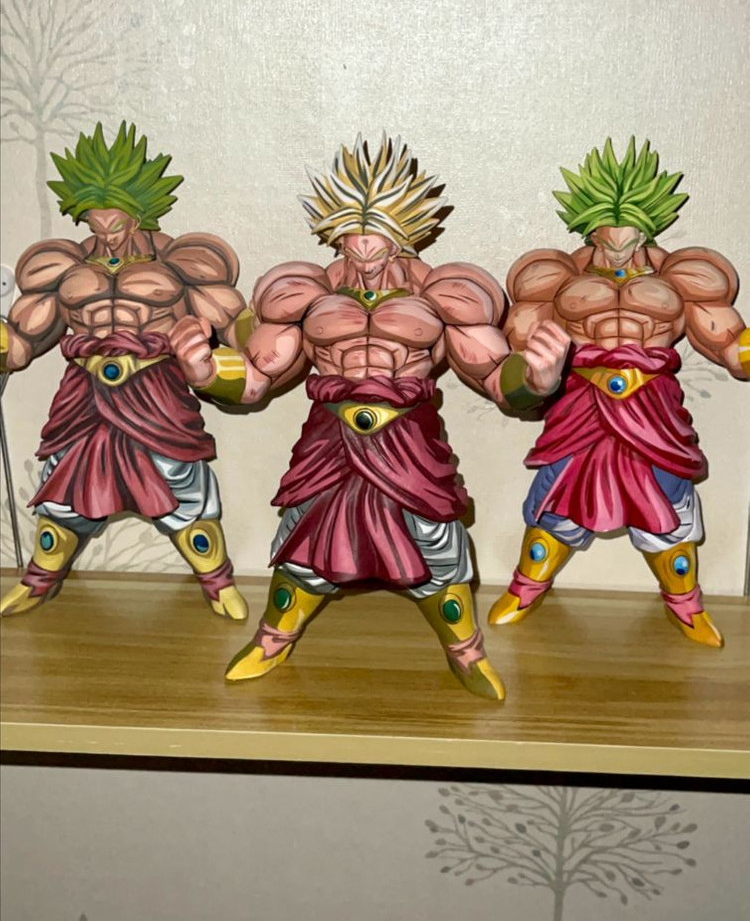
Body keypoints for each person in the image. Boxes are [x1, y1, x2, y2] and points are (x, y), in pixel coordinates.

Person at [172, 134, 569, 699]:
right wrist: (206, 372)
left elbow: (492, 375)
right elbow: (257, 377)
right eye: (351, 241)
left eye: (377, 242)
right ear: (333, 232)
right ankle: (272, 640)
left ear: (404, 233)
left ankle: (466, 652)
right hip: (330, 437)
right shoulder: (301, 293)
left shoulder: (445, 295)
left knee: (436, 542)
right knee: (305, 536)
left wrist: (535, 380)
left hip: (408, 438)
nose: (363, 257)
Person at [487, 138, 750, 646]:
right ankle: (525, 588)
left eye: (631, 239)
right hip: (580, 408)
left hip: (652, 412)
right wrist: (532, 378)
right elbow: (513, 362)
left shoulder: (684, 276)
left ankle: (685, 605)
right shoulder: (554, 277)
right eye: (607, 239)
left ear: (650, 227)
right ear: (586, 227)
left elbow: (729, 344)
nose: (619, 250)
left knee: (667, 504)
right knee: (554, 500)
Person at [0, 123, 251, 621]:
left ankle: (218, 583)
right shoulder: (62, 266)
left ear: (140, 211)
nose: (106, 232)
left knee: (180, 482)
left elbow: (238, 326)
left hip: (155, 390)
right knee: (64, 484)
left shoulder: (181, 262)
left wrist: (248, 357)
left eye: (115, 220)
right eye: (94, 221)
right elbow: (23, 339)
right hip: (84, 393)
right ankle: (38, 581)